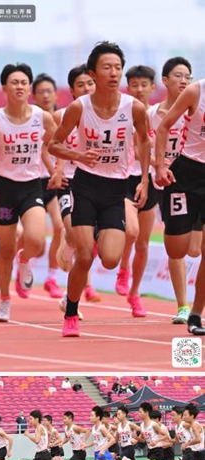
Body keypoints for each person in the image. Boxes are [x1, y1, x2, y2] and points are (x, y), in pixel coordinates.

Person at [49, 41, 150, 337]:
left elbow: (144, 141)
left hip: (116, 189)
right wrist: (78, 155)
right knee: (84, 257)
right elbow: (54, 144)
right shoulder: (79, 108)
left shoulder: (134, 108)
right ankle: (71, 312)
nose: (114, 73)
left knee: (110, 258)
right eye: (107, 67)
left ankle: (91, 233)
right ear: (93, 73)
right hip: (85, 185)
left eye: (118, 67)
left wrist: (144, 179)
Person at [0, 63, 55, 322]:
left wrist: (55, 170)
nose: (20, 86)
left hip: (32, 185)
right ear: (4, 87)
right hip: (5, 187)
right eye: (15, 82)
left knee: (36, 240)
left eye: (24, 82)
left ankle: (24, 260)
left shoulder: (41, 117)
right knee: (5, 250)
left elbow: (52, 146)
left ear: (29, 87)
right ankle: (4, 300)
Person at [155, 61, 205, 334]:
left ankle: (195, 314)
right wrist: (160, 166)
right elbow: (164, 127)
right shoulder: (196, 91)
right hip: (186, 173)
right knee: (178, 249)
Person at [53, 65, 100, 308]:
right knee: (75, 235)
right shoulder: (60, 115)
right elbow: (54, 144)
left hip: (96, 181)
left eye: (90, 83)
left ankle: (70, 297)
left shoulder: (104, 115)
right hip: (68, 181)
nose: (86, 88)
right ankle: (67, 238)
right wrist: (58, 170)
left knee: (88, 244)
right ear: (72, 90)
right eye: (80, 85)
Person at [114, 65, 158, 317]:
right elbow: (141, 151)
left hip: (149, 180)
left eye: (144, 85)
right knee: (131, 230)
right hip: (125, 180)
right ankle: (123, 268)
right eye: (134, 85)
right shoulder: (123, 113)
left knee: (143, 243)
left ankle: (134, 294)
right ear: (128, 87)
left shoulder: (158, 115)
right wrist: (158, 163)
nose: (139, 89)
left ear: (153, 87)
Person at [31, 73, 64, 299]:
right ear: (34, 96)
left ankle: (51, 278)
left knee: (60, 227)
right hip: (35, 181)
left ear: (56, 94)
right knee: (37, 242)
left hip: (57, 180)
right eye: (41, 92)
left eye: (49, 91)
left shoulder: (63, 119)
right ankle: (23, 265)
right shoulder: (31, 119)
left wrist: (58, 172)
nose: (45, 95)